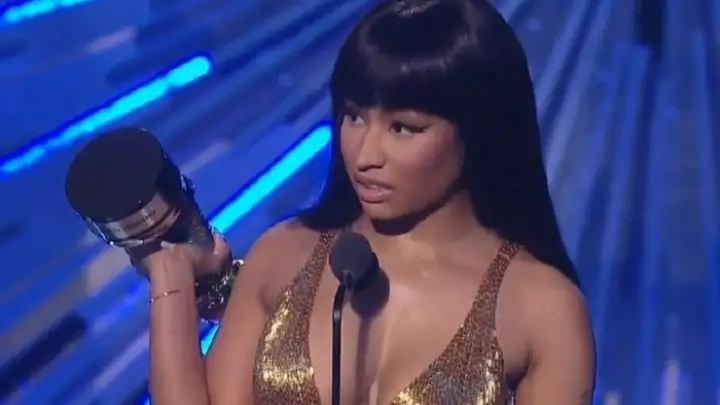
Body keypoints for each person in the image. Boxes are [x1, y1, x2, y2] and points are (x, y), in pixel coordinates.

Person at [133, 0, 596, 404]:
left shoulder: (541, 308)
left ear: (477, 130)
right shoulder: (284, 254)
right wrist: (171, 273)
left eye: (402, 128)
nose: (365, 154)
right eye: (354, 116)